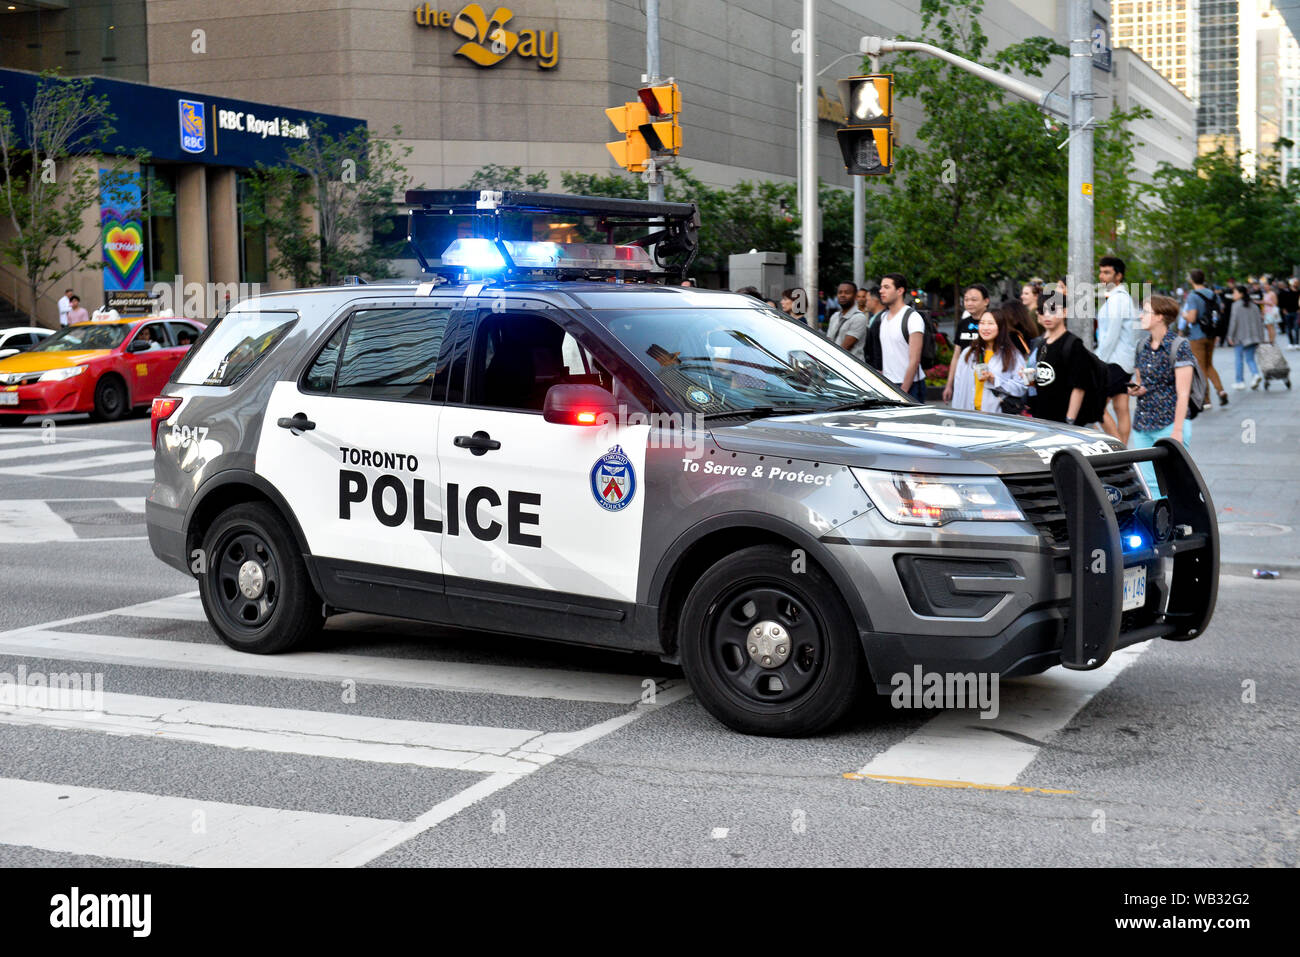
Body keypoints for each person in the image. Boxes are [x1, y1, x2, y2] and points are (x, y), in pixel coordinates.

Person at [1129, 295, 1197, 493]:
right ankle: (1160, 522)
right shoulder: (1142, 346)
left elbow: (1183, 393)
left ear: (1159, 317)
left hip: (1169, 424)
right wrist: (1136, 388)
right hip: (1142, 424)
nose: (1141, 316)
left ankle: (1179, 523)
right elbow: (1141, 382)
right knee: (1149, 485)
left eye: (1146, 312)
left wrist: (1177, 430)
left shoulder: (1179, 346)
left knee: (1175, 483)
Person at [1027, 296, 1098, 427]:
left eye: (1053, 310)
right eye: (1043, 311)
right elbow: (1041, 382)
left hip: (1063, 423)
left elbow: (1079, 388)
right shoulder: (1041, 344)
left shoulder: (1073, 344)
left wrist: (1069, 420)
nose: (1047, 315)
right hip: (1041, 420)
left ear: (1065, 312)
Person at [1095, 255, 1142, 444]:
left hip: (1114, 361)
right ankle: (1125, 452)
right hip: (1123, 361)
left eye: (1107, 272)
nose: (1101, 276)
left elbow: (1110, 336)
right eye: (1100, 271)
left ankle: (1118, 449)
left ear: (1119, 276)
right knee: (1121, 407)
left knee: (1095, 406)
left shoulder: (1117, 300)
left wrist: (1098, 361)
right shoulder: (1119, 298)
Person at [949, 304, 1027, 414]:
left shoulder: (1012, 355)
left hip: (996, 417)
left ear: (1000, 327)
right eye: (982, 323)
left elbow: (1021, 387)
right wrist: (956, 414)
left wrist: (995, 380)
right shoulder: (968, 353)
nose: (985, 328)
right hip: (969, 415)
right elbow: (958, 387)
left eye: (991, 323)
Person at [865, 273, 926, 400]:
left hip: (909, 386)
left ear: (900, 291)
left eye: (886, 287)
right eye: (881, 287)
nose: (881, 291)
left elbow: (915, 360)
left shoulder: (912, 317)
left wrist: (904, 389)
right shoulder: (882, 318)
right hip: (888, 385)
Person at [1179, 269, 1229, 408]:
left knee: (1200, 368)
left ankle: (1206, 400)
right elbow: (1220, 311)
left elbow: (1192, 318)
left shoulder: (1193, 296)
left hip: (1197, 335)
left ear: (1191, 280)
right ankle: (1221, 390)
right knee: (1209, 365)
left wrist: (1184, 315)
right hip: (1211, 334)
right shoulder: (1213, 294)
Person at [941, 283, 991, 403]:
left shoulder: (993, 323)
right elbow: (956, 355)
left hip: (987, 378)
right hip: (964, 378)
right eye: (966, 299)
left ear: (986, 301)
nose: (969, 303)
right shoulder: (963, 324)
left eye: (974, 300)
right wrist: (949, 385)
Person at [1226, 284, 1265, 390]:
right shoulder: (1254, 305)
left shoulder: (1236, 305)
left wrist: (1230, 335)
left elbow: (1233, 322)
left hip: (1240, 336)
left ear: (1241, 294)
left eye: (1235, 292)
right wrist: (1261, 337)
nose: (1233, 295)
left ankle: (1240, 381)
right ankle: (1255, 374)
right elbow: (1260, 322)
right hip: (1253, 337)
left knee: (1239, 359)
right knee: (1250, 359)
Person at [825, 280, 868, 361]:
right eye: (840, 292)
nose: (842, 295)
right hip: (834, 363)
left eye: (847, 293)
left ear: (855, 296)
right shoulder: (835, 316)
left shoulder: (859, 317)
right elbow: (829, 341)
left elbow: (845, 347)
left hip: (851, 367)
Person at [1282, 278, 1300, 350]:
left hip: (1297, 312)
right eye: (1295, 282)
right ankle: (1290, 343)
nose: (1296, 284)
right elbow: (1282, 301)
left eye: (1297, 282)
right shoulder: (1286, 292)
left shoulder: (1299, 292)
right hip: (1288, 312)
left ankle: (1296, 343)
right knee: (1288, 328)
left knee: (1296, 328)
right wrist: (1283, 309)